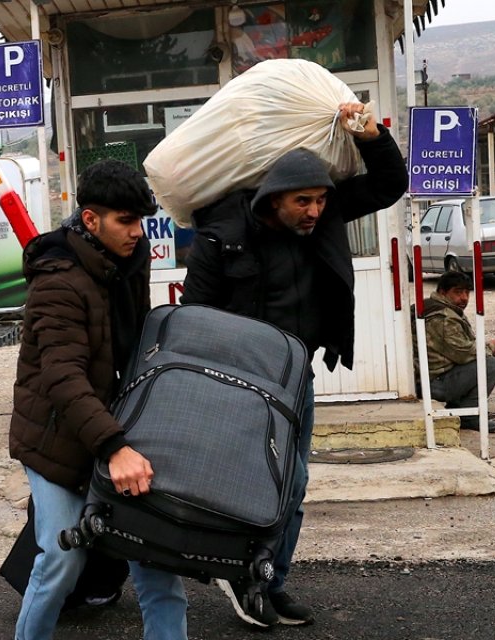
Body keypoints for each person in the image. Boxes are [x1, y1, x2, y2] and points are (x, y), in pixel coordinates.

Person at [181, 102, 407, 629]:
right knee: (265, 482)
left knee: (294, 485)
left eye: (321, 199)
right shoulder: (223, 232)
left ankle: (270, 581)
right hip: (241, 383)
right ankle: (247, 576)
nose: (314, 210)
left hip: (295, 376)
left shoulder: (324, 217)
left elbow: (389, 184)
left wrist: (372, 136)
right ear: (272, 198)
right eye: (303, 201)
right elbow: (194, 316)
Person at [9, 159, 155, 640]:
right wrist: (114, 446)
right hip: (54, 438)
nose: (138, 232)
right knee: (61, 555)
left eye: (141, 220)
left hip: (111, 425)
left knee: (157, 563)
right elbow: (63, 377)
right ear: (90, 220)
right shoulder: (57, 280)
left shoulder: (131, 262)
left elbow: (138, 346)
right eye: (126, 221)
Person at [417, 271, 495, 432]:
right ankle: (468, 417)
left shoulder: (433, 306)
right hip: (430, 382)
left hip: (427, 377)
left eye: (467, 292)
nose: (464, 298)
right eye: (458, 292)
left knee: (480, 360)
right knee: (490, 365)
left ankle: (458, 408)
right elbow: (463, 353)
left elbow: (459, 347)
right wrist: (490, 348)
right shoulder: (444, 318)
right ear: (443, 292)